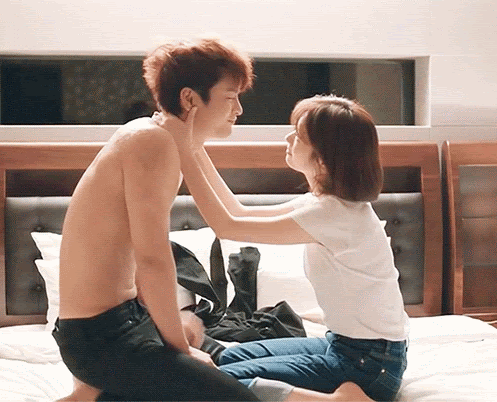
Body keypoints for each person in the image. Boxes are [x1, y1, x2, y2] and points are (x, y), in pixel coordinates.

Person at [54, 37, 371, 402]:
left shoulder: (158, 139)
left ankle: (95, 394)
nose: (238, 109)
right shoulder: (151, 143)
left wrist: (170, 338)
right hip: (102, 335)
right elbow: (152, 259)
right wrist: (180, 351)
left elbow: (149, 260)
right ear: (190, 99)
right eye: (230, 96)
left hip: (123, 323)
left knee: (211, 369)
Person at [162, 94, 408, 401]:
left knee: (212, 385)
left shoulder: (332, 214)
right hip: (350, 349)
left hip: (368, 366)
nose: (288, 139)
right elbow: (237, 212)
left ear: (323, 159)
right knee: (221, 360)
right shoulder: (326, 205)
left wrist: (183, 149)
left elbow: (226, 226)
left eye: (299, 136)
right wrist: (193, 145)